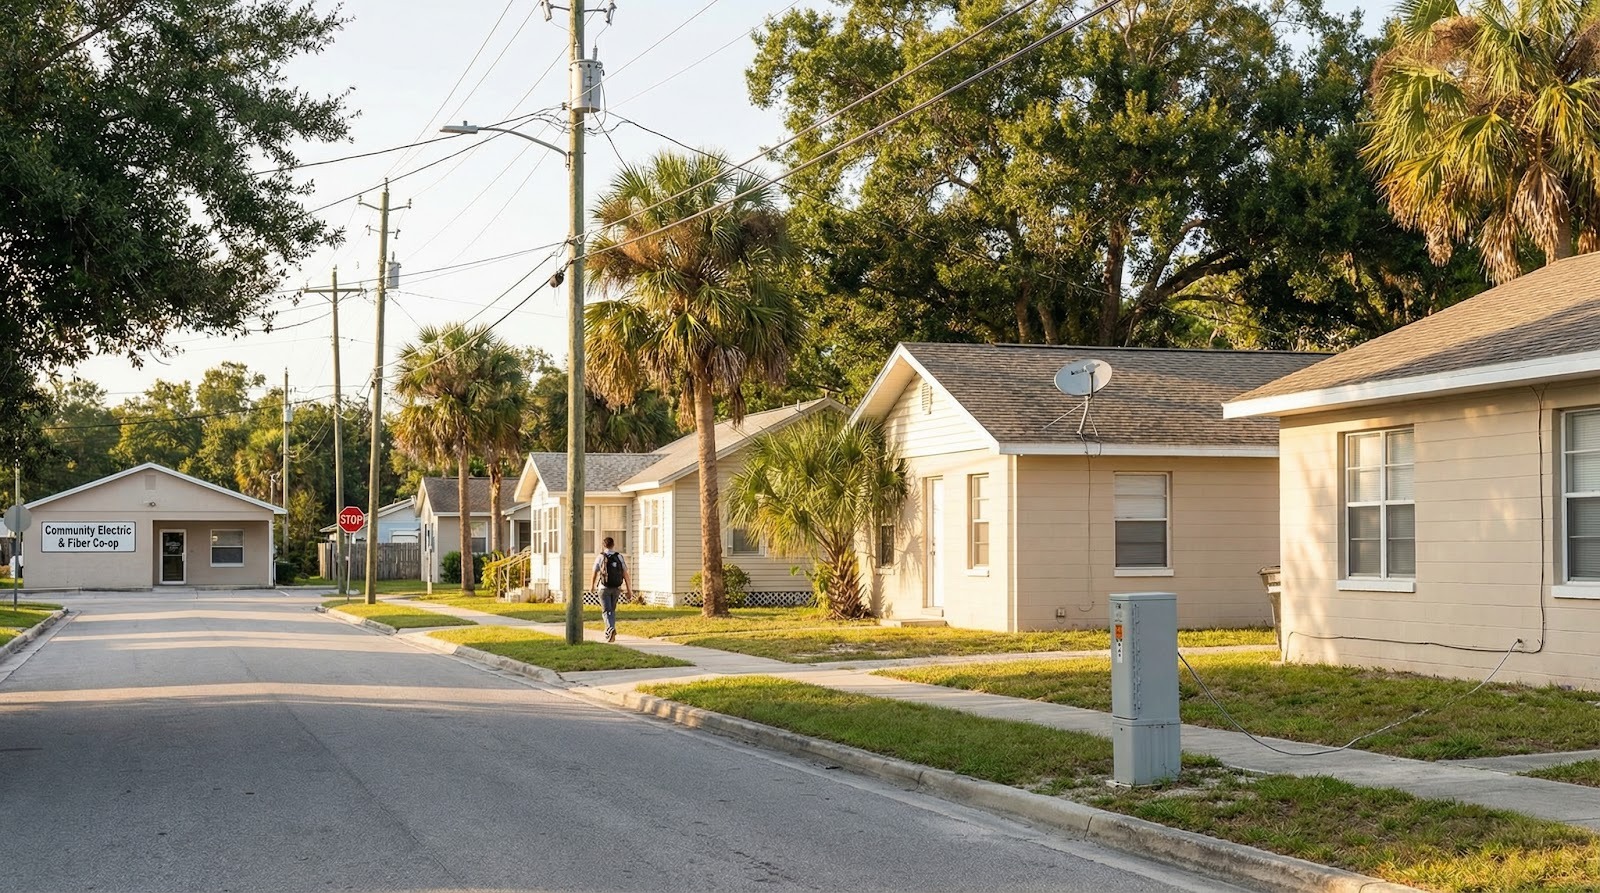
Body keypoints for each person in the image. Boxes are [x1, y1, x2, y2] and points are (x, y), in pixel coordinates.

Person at [589, 536, 632, 643]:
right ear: (613, 545)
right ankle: (611, 630)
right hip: (617, 588)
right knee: (611, 611)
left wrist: (592, 586)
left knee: (606, 611)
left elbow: (594, 572)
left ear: (603, 545)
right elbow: (625, 574)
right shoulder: (619, 557)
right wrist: (629, 590)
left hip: (603, 588)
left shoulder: (600, 557)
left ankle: (610, 629)